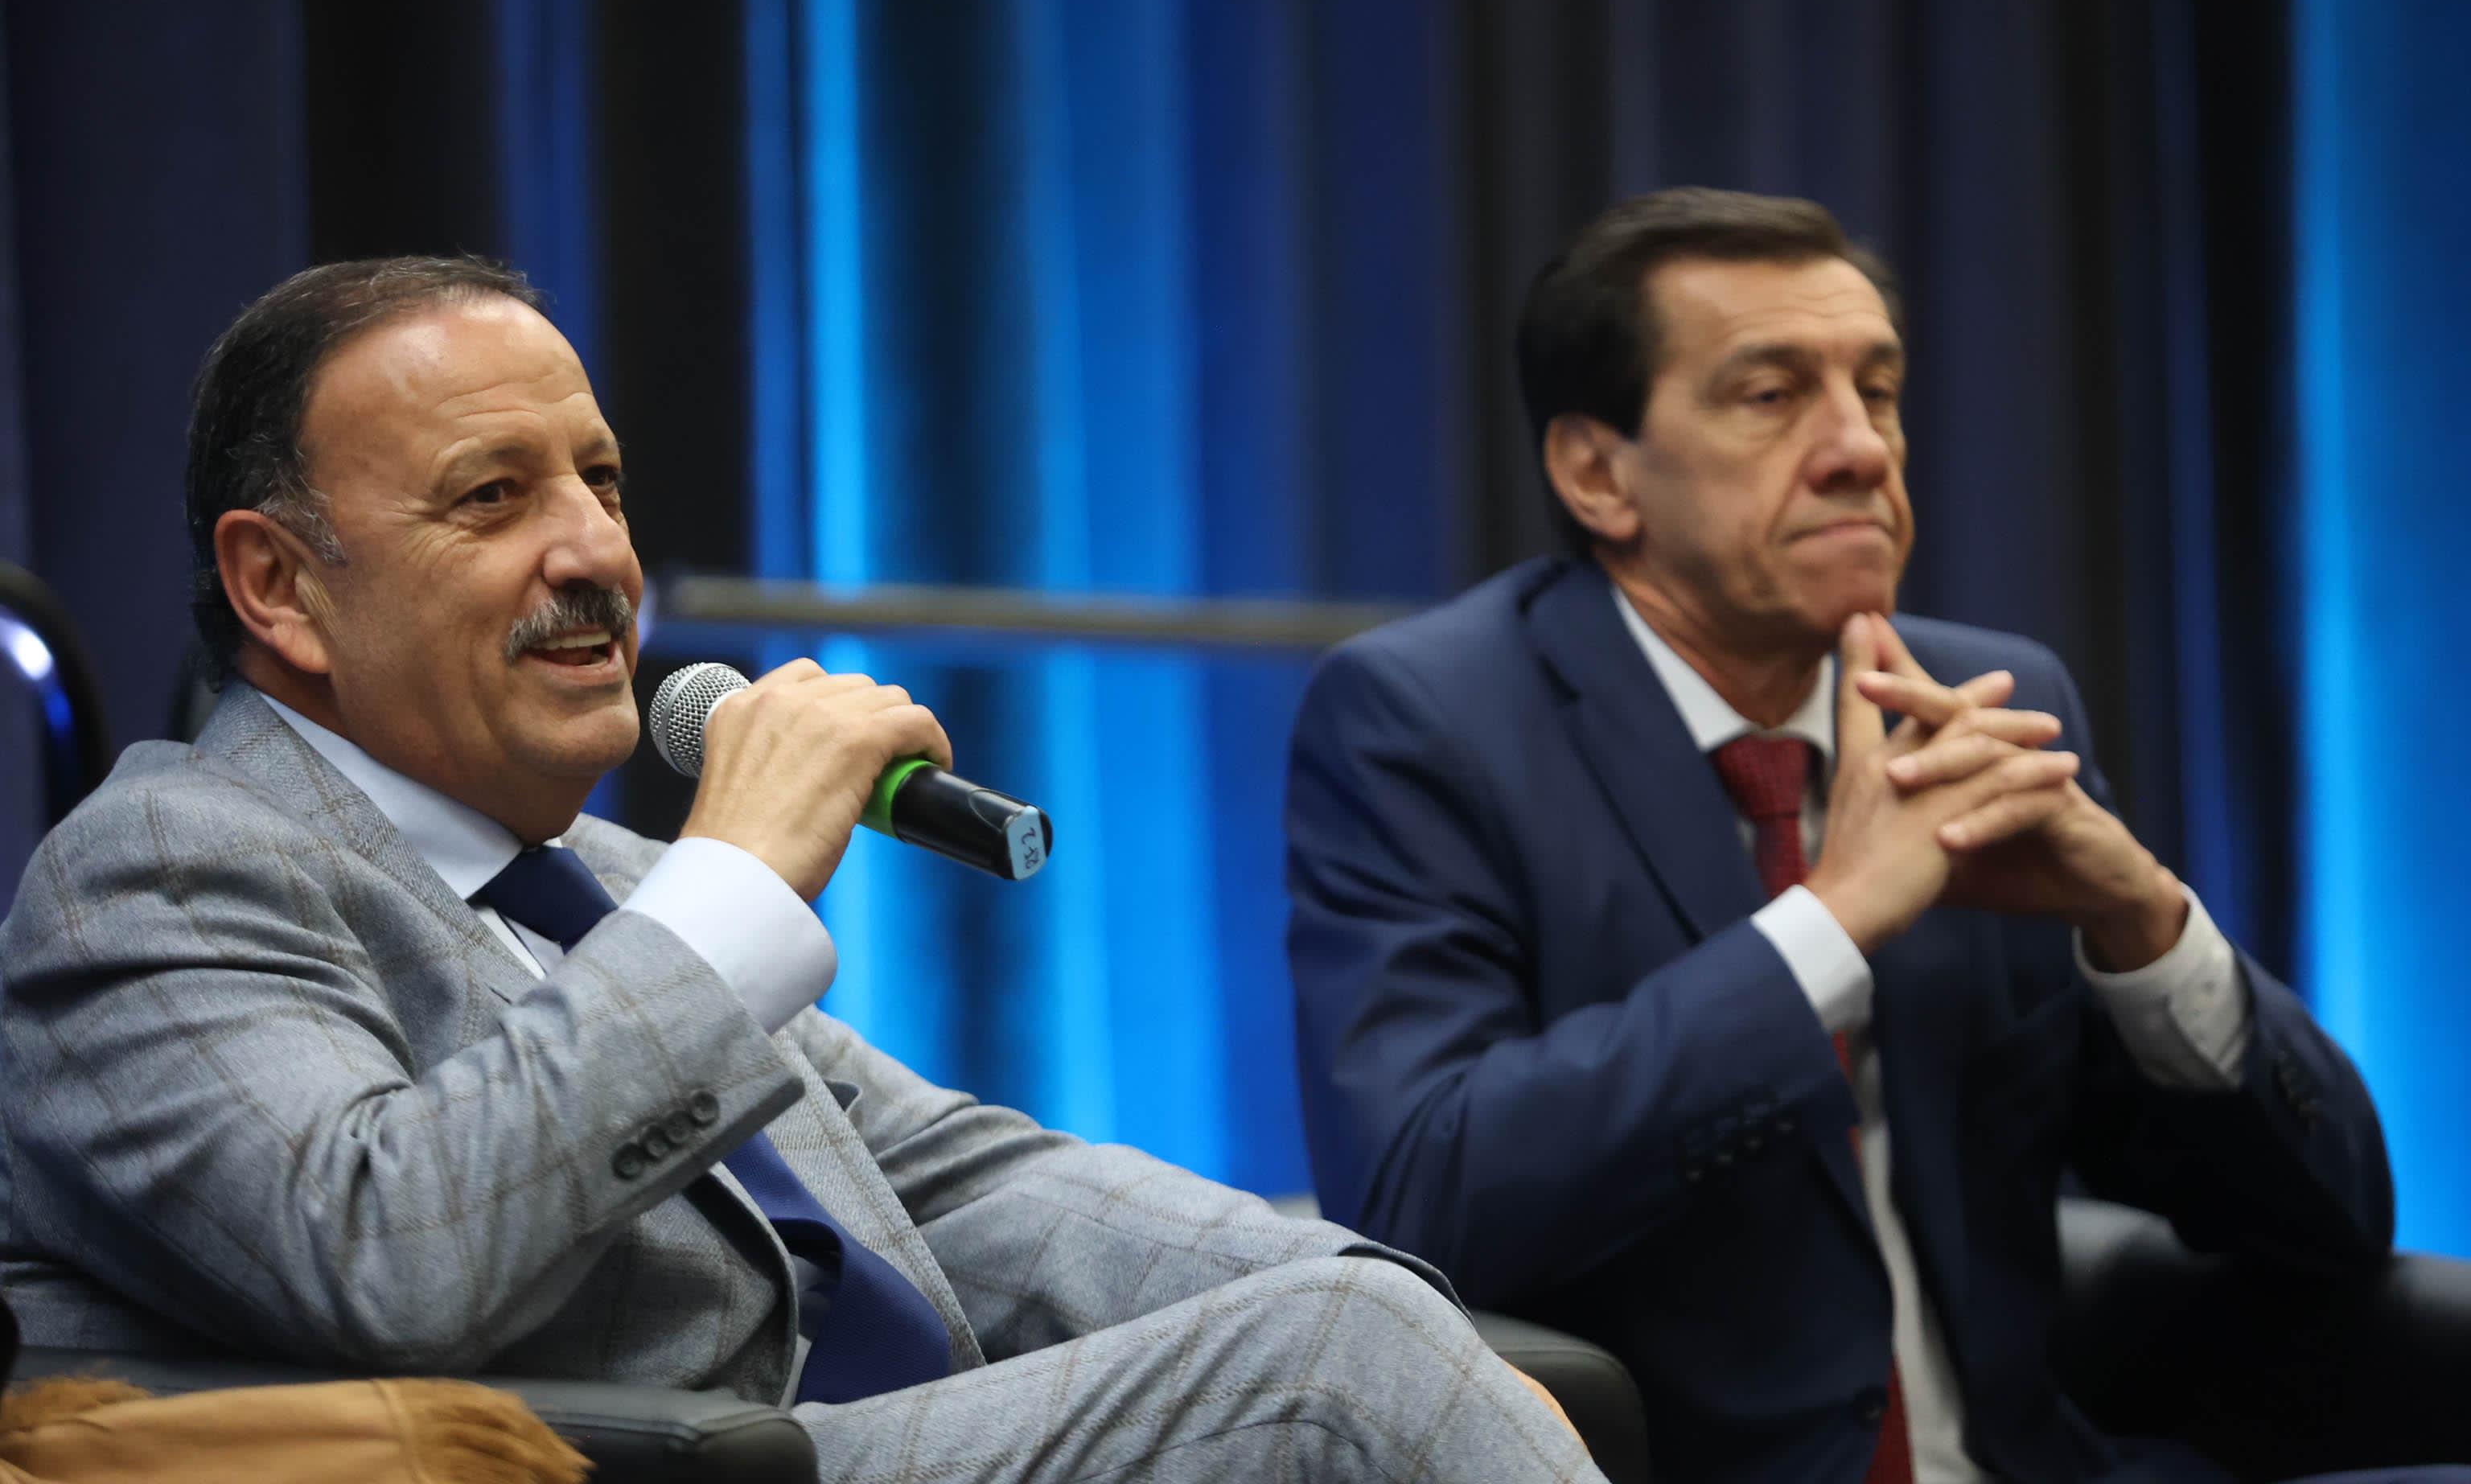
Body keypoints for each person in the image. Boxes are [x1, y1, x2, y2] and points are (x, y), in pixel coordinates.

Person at [0, 257, 1599, 1484]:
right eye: (492, 497)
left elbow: (966, 1184)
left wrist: (1400, 1311)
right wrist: (739, 879)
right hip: (637, 1466)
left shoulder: (597, 880)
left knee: (1362, 1325)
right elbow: (384, 1254)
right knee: (1330, 1373)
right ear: (279, 586)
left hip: (811, 1445)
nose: (597, 553)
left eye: (602, 483)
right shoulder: (159, 870)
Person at [1284, 189, 2417, 1483]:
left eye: (1878, 392)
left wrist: (2144, 928)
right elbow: (1421, 1201)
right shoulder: (1431, 722)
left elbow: (2331, 1225)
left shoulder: (1990, 703)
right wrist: (1829, 927)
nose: (1859, 450)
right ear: (1598, 474)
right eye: (1772, 396)